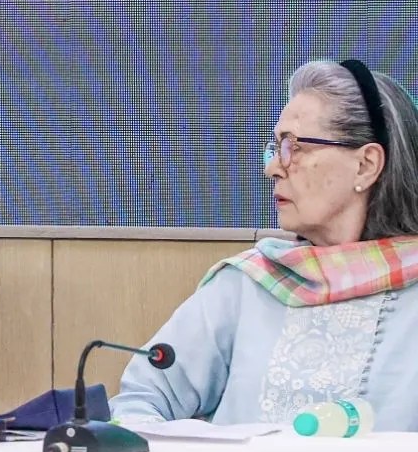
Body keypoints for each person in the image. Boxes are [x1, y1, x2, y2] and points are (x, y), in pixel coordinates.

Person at [111, 59, 418, 429]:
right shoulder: (248, 284)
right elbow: (137, 402)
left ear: (366, 165)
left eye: (293, 147)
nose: (272, 168)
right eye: (275, 148)